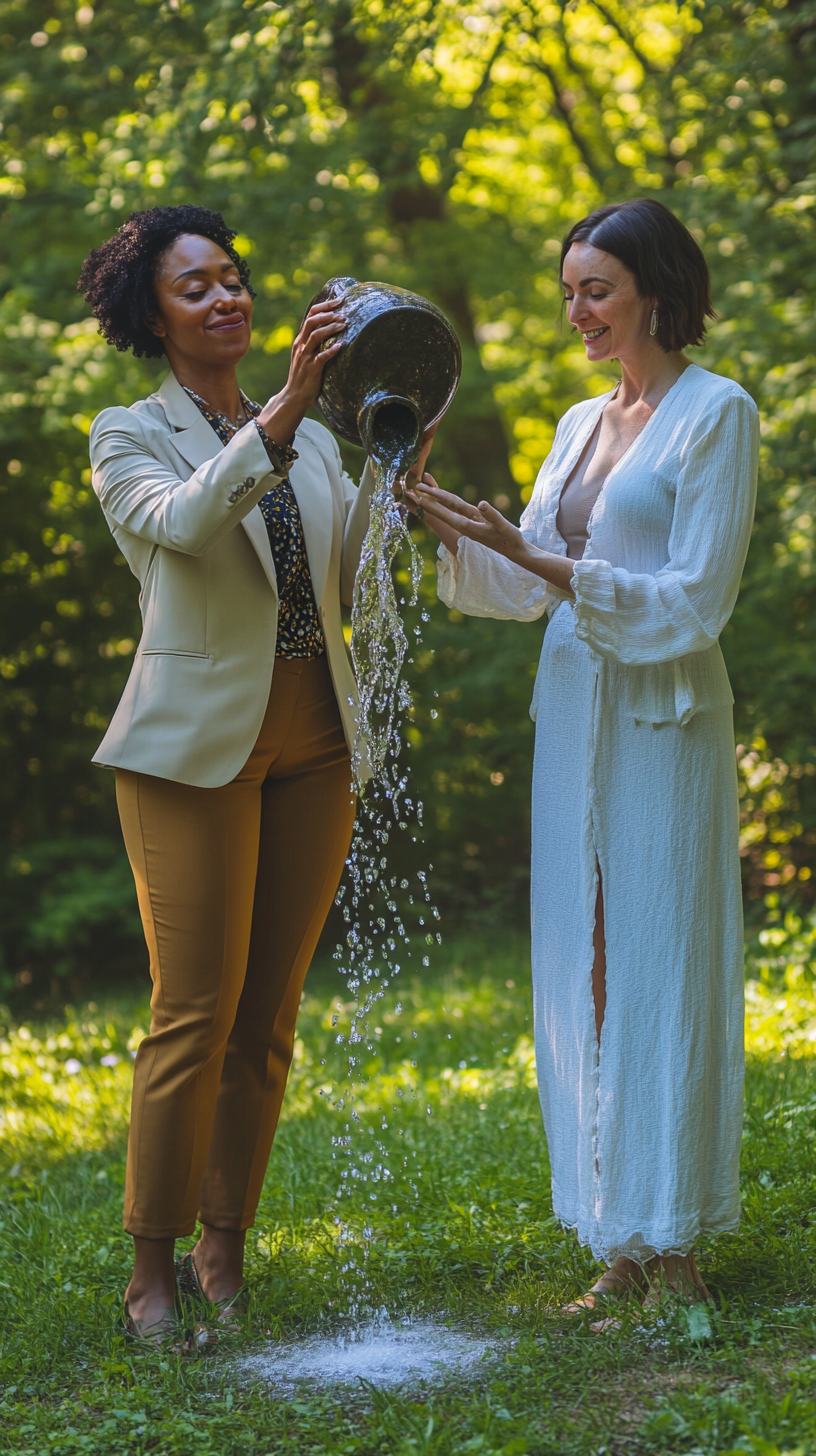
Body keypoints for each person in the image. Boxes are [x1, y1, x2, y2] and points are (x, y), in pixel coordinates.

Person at [79, 204, 433, 1348]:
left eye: (234, 276)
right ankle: (151, 1273)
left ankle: (224, 1250)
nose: (226, 295)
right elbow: (182, 525)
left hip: (316, 744)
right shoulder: (126, 433)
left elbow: (347, 578)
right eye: (197, 287)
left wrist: (396, 475)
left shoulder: (321, 441)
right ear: (154, 315)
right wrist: (279, 413)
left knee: (267, 1020)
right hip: (190, 754)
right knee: (194, 1013)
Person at [411, 199, 758, 1330]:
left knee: (661, 952)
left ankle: (677, 1238)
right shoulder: (576, 421)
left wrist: (544, 562)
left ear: (656, 289)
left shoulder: (718, 414)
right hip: (573, 708)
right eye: (568, 291)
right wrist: (452, 530)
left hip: (664, 712)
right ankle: (615, 1233)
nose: (576, 311)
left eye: (595, 289)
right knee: (588, 961)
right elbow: (521, 581)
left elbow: (697, 602)